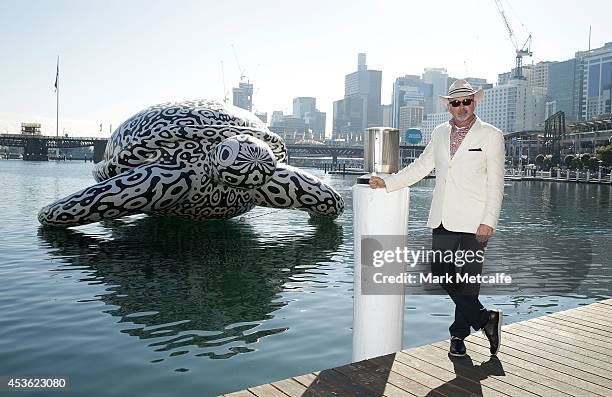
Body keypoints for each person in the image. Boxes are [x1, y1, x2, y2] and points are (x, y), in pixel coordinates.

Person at [369, 80, 505, 357]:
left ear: (474, 103)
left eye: (467, 101)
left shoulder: (491, 135)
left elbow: (496, 182)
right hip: (442, 218)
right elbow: (421, 166)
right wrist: (388, 182)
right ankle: (484, 319)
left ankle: (458, 336)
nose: (462, 107)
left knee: (468, 280)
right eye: (456, 103)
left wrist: (488, 220)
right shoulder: (440, 133)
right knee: (440, 271)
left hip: (475, 220)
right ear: (448, 106)